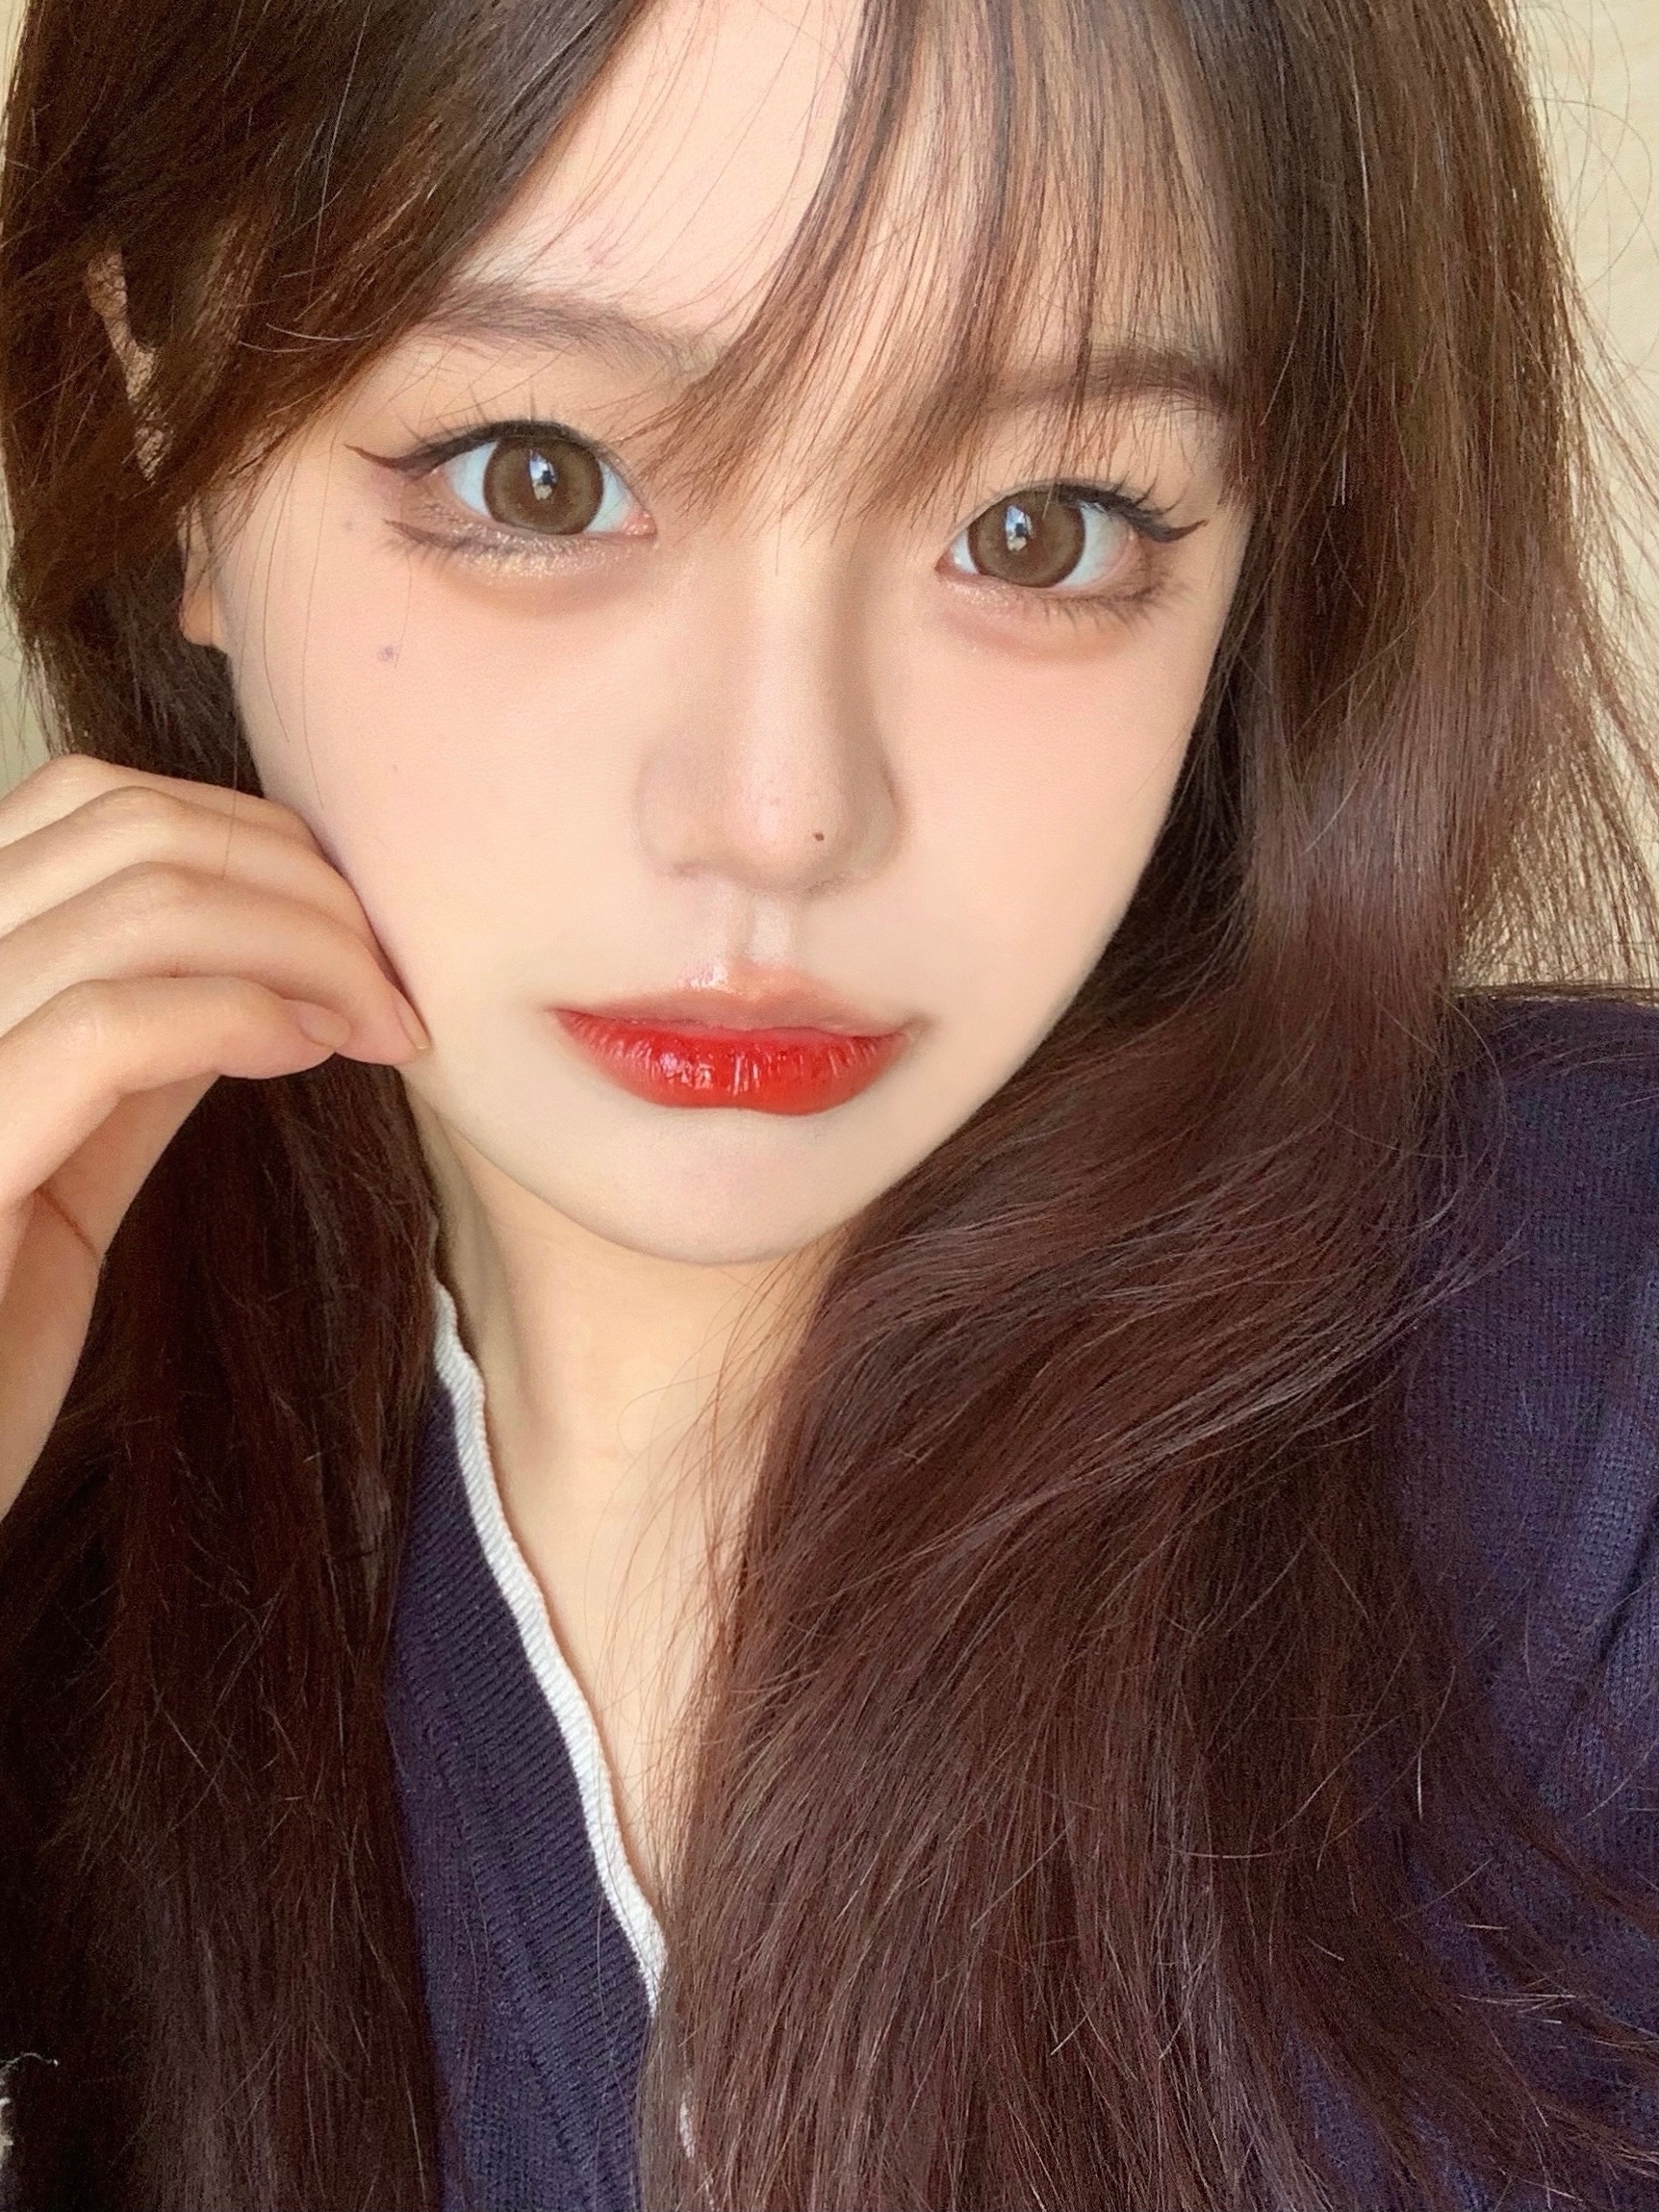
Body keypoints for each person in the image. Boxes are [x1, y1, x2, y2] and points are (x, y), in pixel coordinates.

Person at [0, 0, 1657, 2201]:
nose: (779, 809)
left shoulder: (1580, 1355)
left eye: (1041, 528)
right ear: (170, 434)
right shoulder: (69, 1537)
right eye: (535, 476)